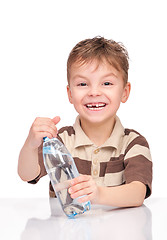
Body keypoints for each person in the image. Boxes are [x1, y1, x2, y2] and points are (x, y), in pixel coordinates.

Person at [18, 36, 152, 207]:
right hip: (66, 232)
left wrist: (98, 194)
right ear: (70, 94)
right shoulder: (60, 140)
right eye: (82, 84)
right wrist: (30, 145)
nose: (94, 92)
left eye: (107, 83)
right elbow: (27, 174)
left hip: (118, 233)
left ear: (125, 92)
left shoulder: (133, 143)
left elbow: (137, 193)